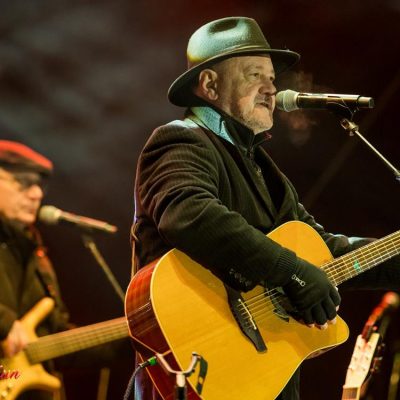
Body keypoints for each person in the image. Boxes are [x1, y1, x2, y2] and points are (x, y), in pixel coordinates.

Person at [131, 17, 400, 399]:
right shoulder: (180, 140)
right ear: (209, 84)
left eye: (272, 78)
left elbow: (323, 252)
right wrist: (293, 273)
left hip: (262, 380)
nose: (271, 88)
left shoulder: (265, 170)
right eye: (254, 74)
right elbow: (189, 215)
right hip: (194, 373)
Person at [0, 140, 131, 399]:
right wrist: (4, 323)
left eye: (40, 185)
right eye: (23, 182)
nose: (36, 194)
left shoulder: (37, 257)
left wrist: (132, 339)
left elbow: (55, 339)